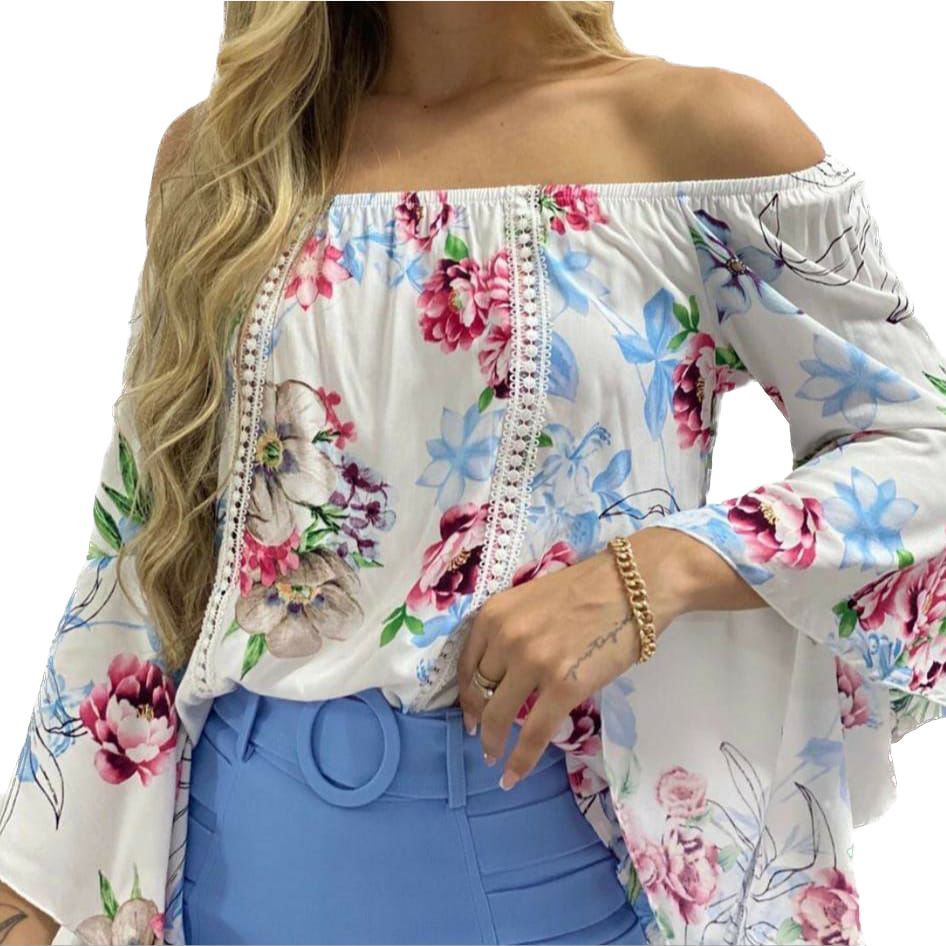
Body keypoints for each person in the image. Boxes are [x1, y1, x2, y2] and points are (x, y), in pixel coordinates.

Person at [1, 2, 944, 944]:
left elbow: (922, 446)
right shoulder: (231, 159)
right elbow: (144, 534)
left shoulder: (699, 140)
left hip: (545, 865)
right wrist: (32, 891)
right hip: (236, 859)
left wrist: (656, 571)